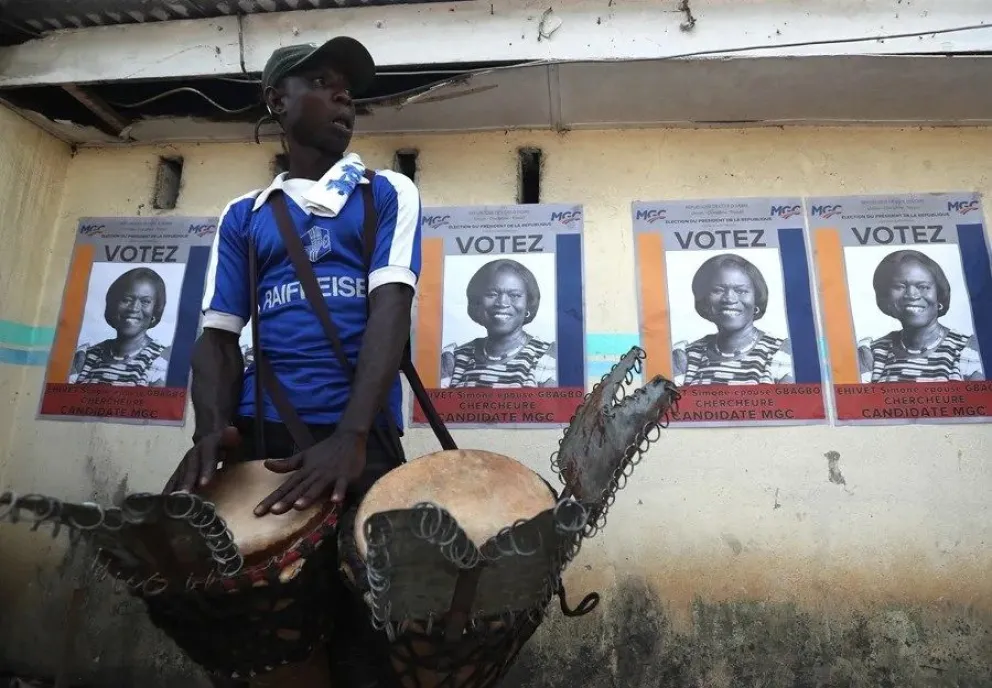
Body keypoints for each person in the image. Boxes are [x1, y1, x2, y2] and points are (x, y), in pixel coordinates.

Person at [163, 36, 422, 687]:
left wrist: (353, 437)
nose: (345, 96)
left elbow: (391, 314)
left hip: (364, 444)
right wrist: (209, 429)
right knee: (261, 634)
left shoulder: (384, 192)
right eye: (325, 82)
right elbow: (219, 338)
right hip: (265, 447)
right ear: (278, 100)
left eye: (349, 88)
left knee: (372, 638)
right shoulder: (245, 216)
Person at [857, 249, 984, 382]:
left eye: (923, 287)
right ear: (886, 297)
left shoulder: (969, 350)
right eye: (900, 286)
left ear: (939, 296)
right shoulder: (872, 354)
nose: (912, 295)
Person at [672, 253, 793, 386]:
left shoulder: (783, 353)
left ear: (756, 301)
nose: (729, 298)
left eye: (741, 291)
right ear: (705, 301)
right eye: (718, 290)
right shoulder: (684, 357)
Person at [439, 258, 556, 388]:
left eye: (515, 295)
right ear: (477, 303)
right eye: (492, 294)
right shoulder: (453, 359)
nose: (502, 303)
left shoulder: (548, 358)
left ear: (528, 304)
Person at [70, 266, 170, 386]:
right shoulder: (86, 357)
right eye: (126, 300)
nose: (134, 308)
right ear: (113, 305)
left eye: (145, 302)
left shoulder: (161, 362)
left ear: (155, 310)